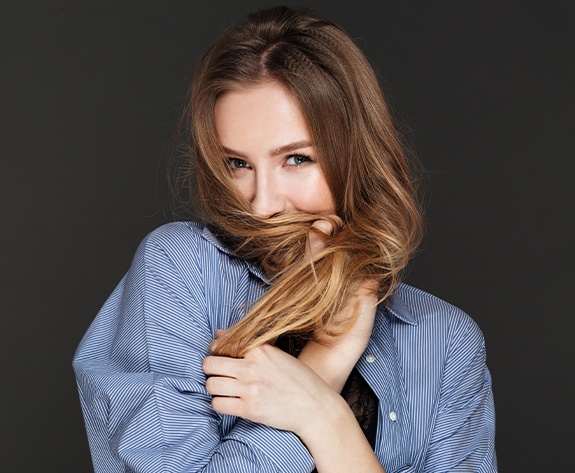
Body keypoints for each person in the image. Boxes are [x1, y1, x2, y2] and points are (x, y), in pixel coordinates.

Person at [73, 6, 497, 473]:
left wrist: (324, 418)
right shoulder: (181, 269)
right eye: (238, 164)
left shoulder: (443, 341)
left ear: (356, 155)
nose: (261, 205)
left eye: (296, 159)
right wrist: (328, 361)